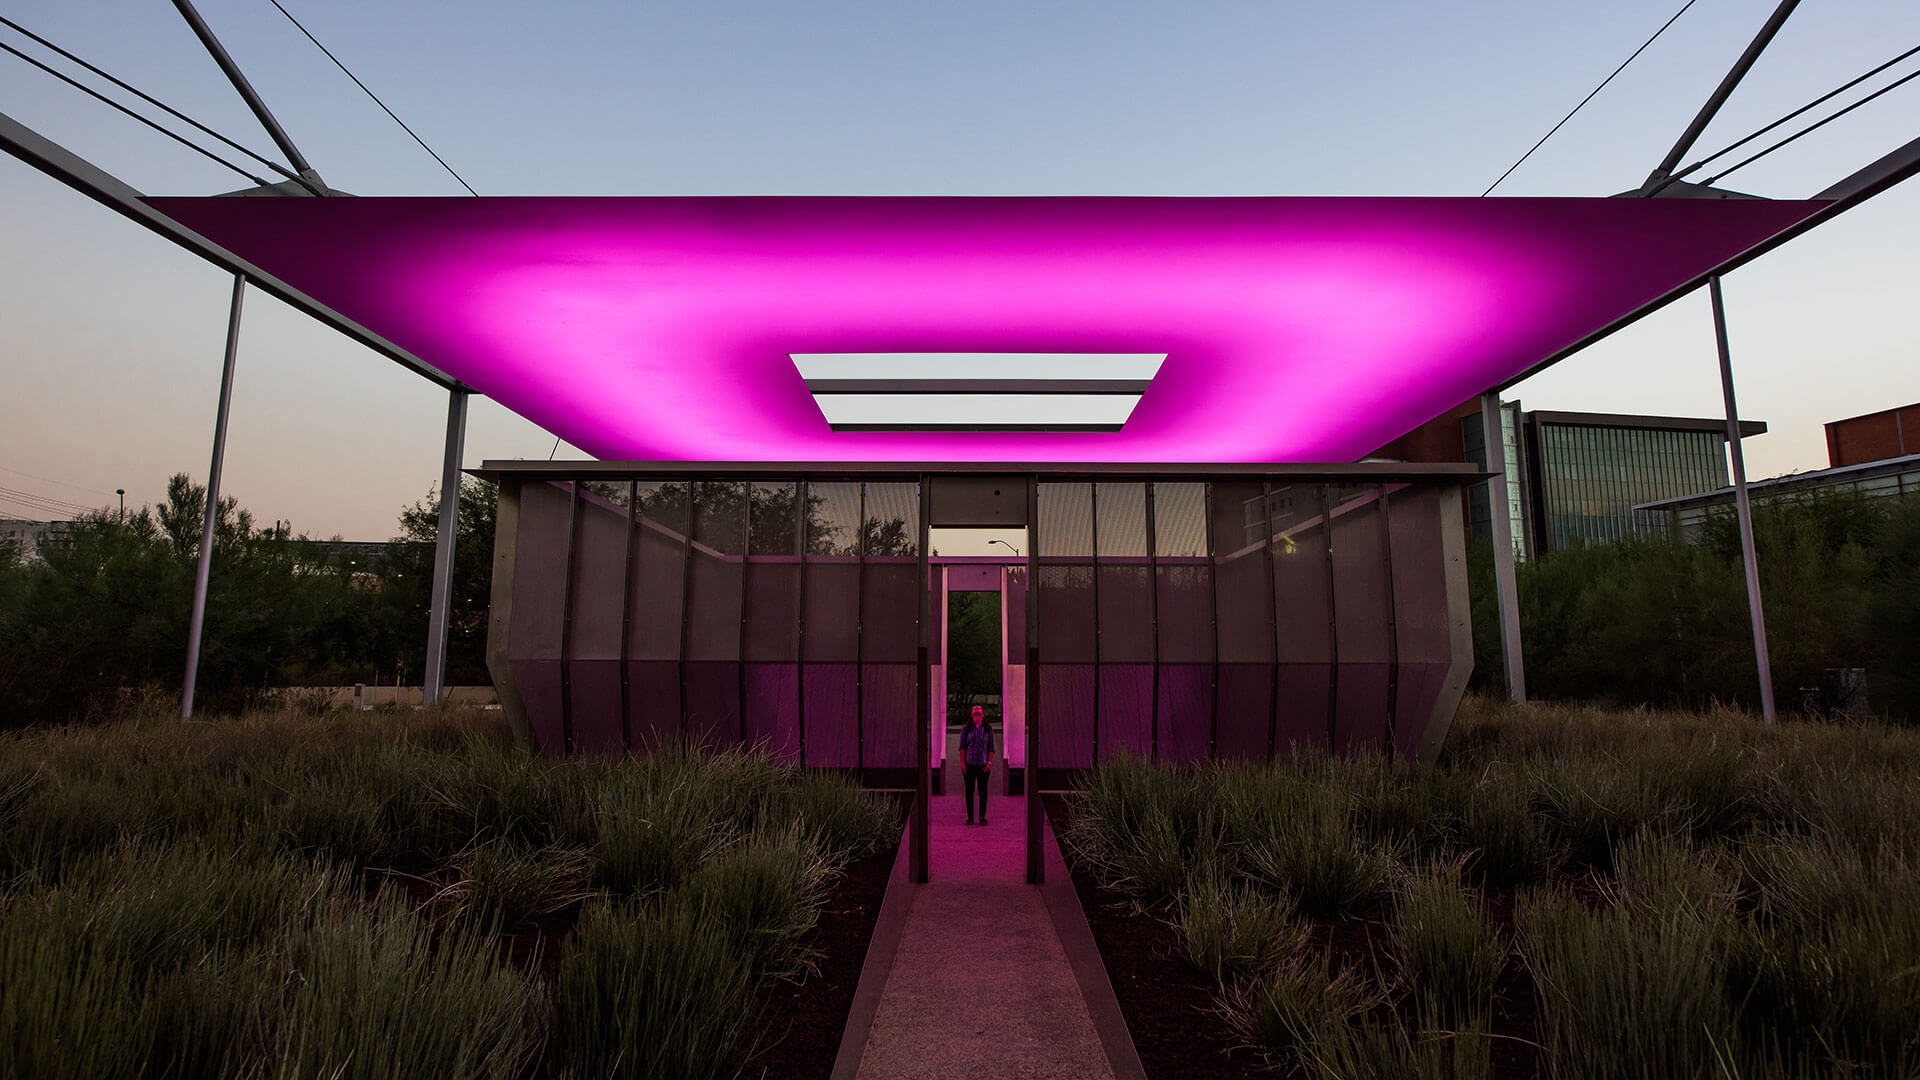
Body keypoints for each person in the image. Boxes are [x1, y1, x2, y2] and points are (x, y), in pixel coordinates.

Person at [959, 705, 995, 826]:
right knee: (969, 791)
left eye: (979, 714)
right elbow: (962, 747)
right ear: (972, 716)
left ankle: (982, 816)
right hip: (969, 764)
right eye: (975, 714)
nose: (977, 717)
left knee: (983, 791)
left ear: (982, 715)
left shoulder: (987, 729)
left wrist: (989, 762)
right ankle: (970, 817)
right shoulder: (966, 728)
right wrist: (962, 763)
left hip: (983, 764)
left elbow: (991, 748)